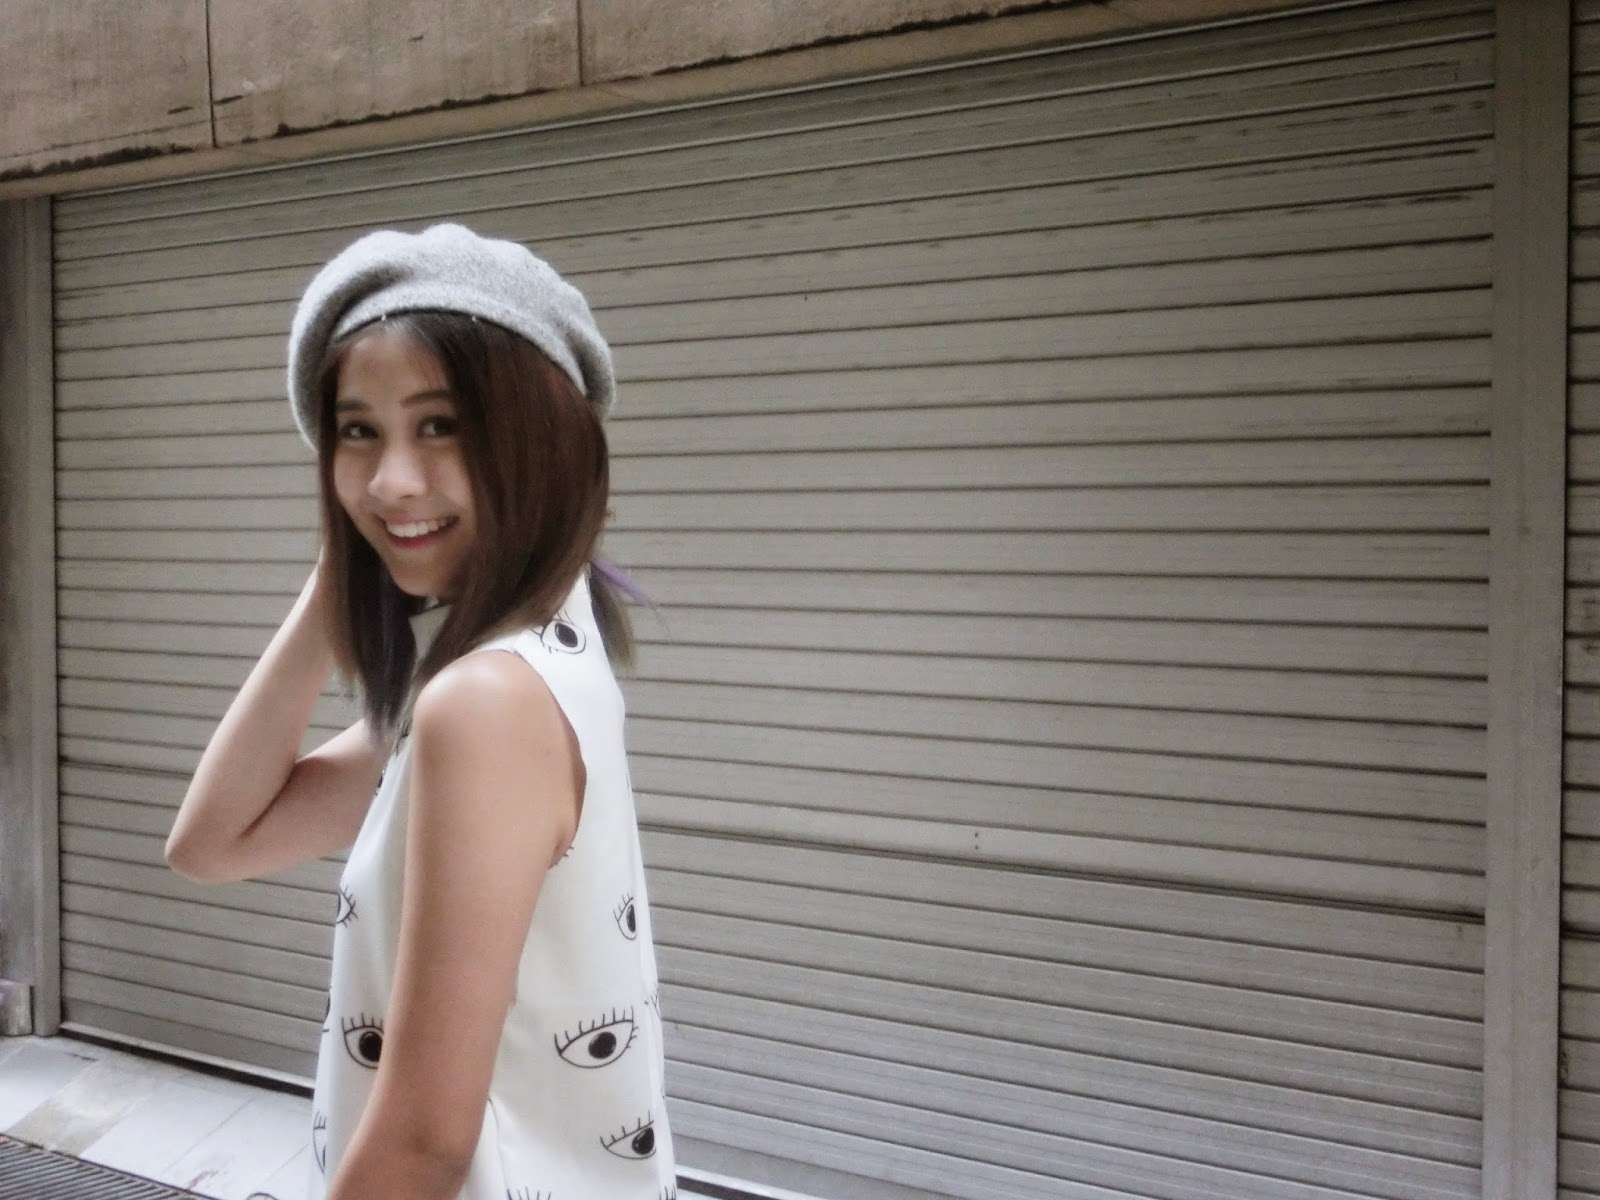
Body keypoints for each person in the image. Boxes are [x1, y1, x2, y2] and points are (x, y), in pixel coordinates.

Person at [166, 224, 675, 1200]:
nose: (391, 479)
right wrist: (339, 574)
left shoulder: (483, 703)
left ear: (540, 442)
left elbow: (424, 1142)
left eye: (439, 424)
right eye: (358, 431)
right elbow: (212, 843)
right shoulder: (525, 660)